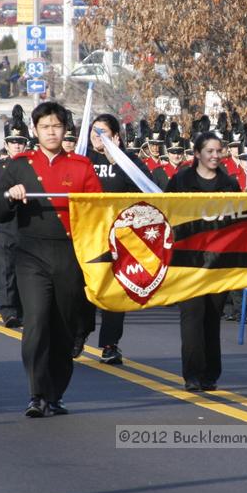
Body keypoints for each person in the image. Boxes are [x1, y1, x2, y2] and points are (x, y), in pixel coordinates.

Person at [0, 102, 102, 418]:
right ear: (35, 131)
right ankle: (37, 393)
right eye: (45, 127)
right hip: (31, 255)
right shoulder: (18, 166)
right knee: (37, 322)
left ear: (65, 129)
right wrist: (10, 197)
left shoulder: (81, 167)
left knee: (63, 327)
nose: (51, 132)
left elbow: (98, 213)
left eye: (56, 126)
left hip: (69, 255)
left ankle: (56, 394)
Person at [164, 131, 241, 391]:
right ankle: (192, 374)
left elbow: (240, 221)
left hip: (218, 262)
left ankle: (210, 374)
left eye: (218, 151)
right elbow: (166, 211)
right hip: (187, 261)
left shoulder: (230, 184)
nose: (215, 156)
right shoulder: (181, 180)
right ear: (197, 154)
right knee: (192, 315)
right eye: (209, 151)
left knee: (211, 317)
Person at [82, 113, 156, 365]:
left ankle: (110, 344)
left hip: (120, 237)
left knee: (115, 292)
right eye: (94, 131)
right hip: (88, 235)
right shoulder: (83, 158)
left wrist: (119, 161)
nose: (96, 136)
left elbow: (148, 188)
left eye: (102, 132)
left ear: (115, 137)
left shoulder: (130, 161)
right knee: (84, 290)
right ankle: (79, 333)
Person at [0, 126, 29, 329]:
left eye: (20, 141)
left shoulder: (32, 166)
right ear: (6, 145)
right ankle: (9, 311)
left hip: (27, 226)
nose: (17, 145)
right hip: (4, 226)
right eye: (13, 141)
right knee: (5, 271)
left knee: (26, 272)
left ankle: (26, 310)